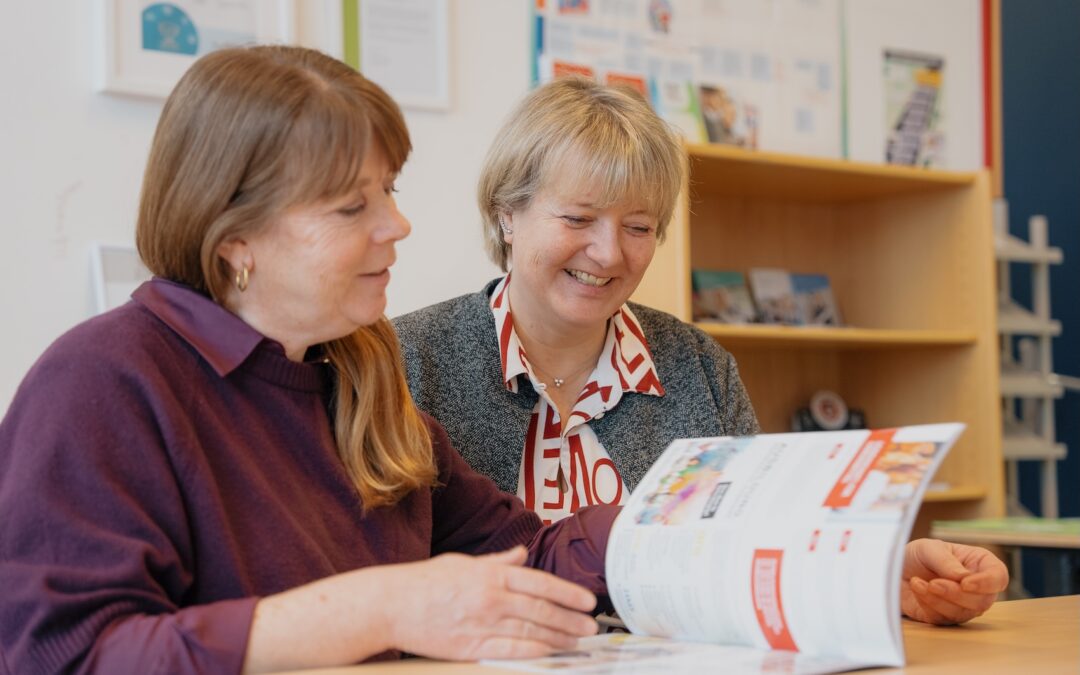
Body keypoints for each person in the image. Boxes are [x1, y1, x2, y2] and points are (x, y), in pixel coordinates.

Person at [0, 46, 618, 674]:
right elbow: (69, 656)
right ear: (234, 235)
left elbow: (524, 562)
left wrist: (670, 524)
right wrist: (380, 608)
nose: (398, 224)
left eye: (388, 191)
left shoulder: (358, 372)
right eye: (352, 206)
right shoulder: (101, 383)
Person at [392, 76, 1007, 626]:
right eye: (579, 219)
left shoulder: (699, 366)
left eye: (637, 227)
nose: (608, 254)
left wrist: (888, 573)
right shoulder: (406, 362)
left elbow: (762, 548)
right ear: (507, 215)